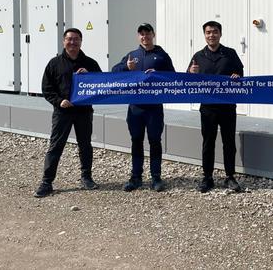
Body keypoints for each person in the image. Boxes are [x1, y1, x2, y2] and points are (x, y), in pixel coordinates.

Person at [34, 28, 102, 198]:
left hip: (83, 111)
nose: (73, 42)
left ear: (81, 42)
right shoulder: (54, 63)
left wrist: (90, 76)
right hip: (62, 112)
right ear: (63, 41)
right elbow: (47, 89)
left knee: (85, 145)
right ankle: (47, 182)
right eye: (69, 39)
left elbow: (102, 84)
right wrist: (59, 101)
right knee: (55, 146)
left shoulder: (90, 63)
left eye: (76, 39)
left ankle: (86, 177)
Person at [112, 23, 175, 192]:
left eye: (147, 33)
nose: (144, 36)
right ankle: (136, 177)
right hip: (135, 108)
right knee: (136, 141)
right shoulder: (132, 55)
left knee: (155, 141)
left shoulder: (162, 56)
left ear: (153, 35)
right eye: (141, 34)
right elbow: (114, 71)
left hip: (154, 108)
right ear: (138, 36)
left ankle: (156, 177)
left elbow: (173, 77)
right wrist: (126, 67)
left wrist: (158, 75)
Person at [187, 21, 244, 193]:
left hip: (227, 105)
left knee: (229, 142)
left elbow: (241, 74)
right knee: (208, 142)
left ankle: (230, 176)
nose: (211, 35)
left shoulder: (230, 54)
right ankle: (207, 177)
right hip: (208, 107)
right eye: (208, 32)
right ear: (204, 35)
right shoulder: (198, 56)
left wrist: (237, 76)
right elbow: (188, 79)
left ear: (220, 34)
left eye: (215, 32)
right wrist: (191, 73)